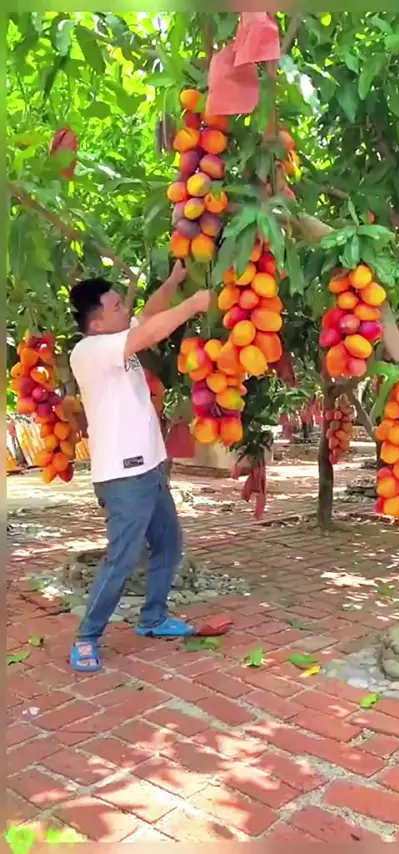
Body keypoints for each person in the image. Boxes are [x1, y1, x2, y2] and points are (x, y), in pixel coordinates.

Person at [68, 261, 212, 672]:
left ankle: (153, 618)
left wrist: (173, 282)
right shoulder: (90, 351)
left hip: (150, 468)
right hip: (123, 477)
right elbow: (150, 330)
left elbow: (148, 315)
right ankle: (87, 637)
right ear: (96, 322)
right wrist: (194, 304)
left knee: (168, 544)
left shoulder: (116, 341)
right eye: (116, 306)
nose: (125, 309)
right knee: (123, 558)